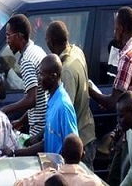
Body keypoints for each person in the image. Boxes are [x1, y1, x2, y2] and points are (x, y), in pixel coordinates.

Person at [90, 7, 132, 117]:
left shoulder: (127, 58)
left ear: (121, 29)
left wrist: (88, 90)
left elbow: (113, 103)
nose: (114, 33)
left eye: (115, 28)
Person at [46, 21, 95, 165]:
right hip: (87, 129)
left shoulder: (66, 70)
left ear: (51, 42)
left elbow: (66, 110)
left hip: (79, 140)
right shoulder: (76, 51)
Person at [9, 54, 78, 156]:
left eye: (41, 75)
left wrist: (14, 153)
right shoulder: (52, 100)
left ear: (53, 77)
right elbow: (48, 141)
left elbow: (73, 146)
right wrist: (19, 150)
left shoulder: (63, 106)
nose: (39, 78)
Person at [2, 14, 48, 139]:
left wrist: (6, 109)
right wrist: (21, 121)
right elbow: (39, 99)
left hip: (39, 129)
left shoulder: (27, 61)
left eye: (8, 36)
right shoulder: (37, 50)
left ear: (19, 36)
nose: (7, 41)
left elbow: (32, 100)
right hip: (45, 124)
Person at [13, 134, 102, 186]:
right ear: (83, 156)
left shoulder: (47, 177)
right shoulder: (93, 182)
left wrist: (43, 173)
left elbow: (19, 184)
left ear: (62, 154)